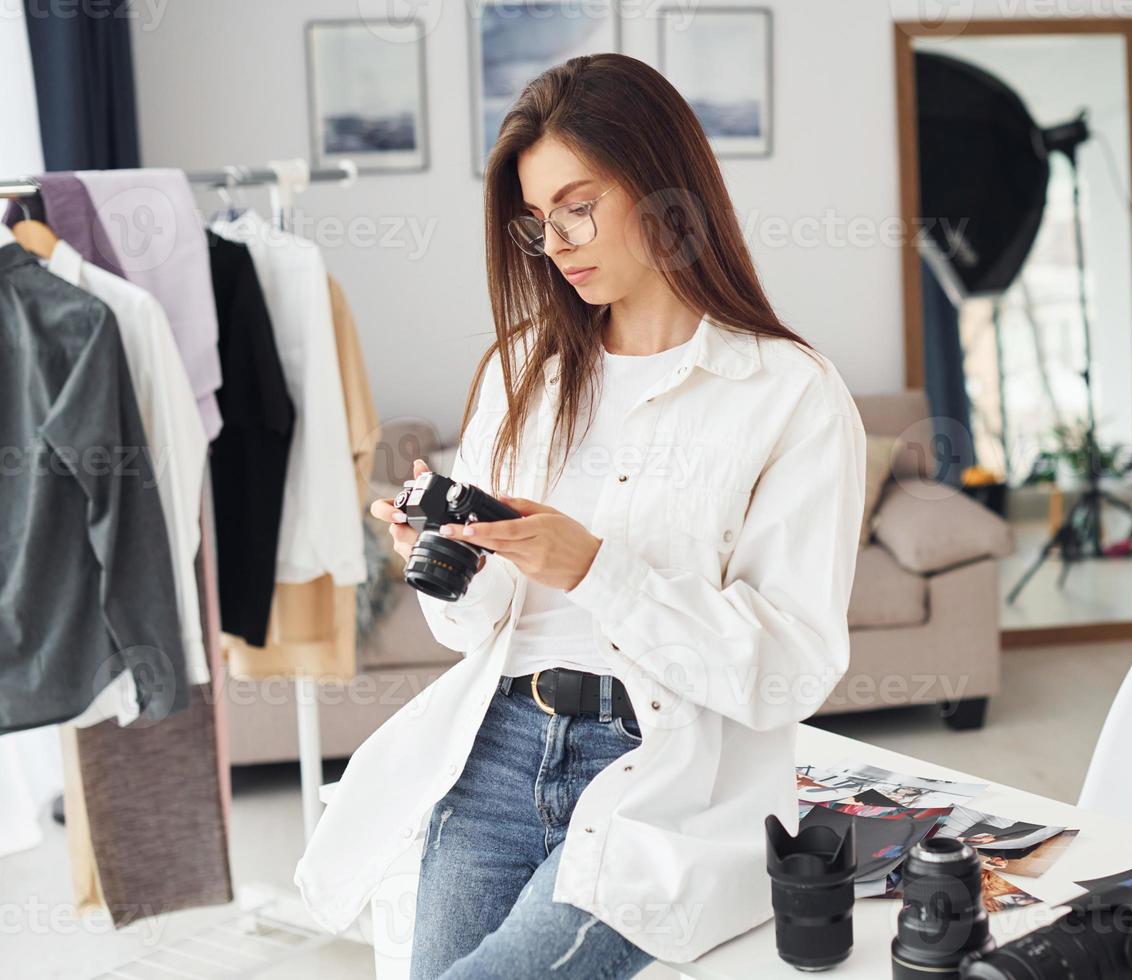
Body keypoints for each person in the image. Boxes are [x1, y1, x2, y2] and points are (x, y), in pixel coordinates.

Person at [293, 52, 867, 979]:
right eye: (537, 222)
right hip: (497, 747)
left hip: (658, 766)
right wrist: (453, 561)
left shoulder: (788, 394)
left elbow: (788, 670)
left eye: (579, 205)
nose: (557, 243)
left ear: (663, 187)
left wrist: (595, 567)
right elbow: (471, 630)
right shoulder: (523, 372)